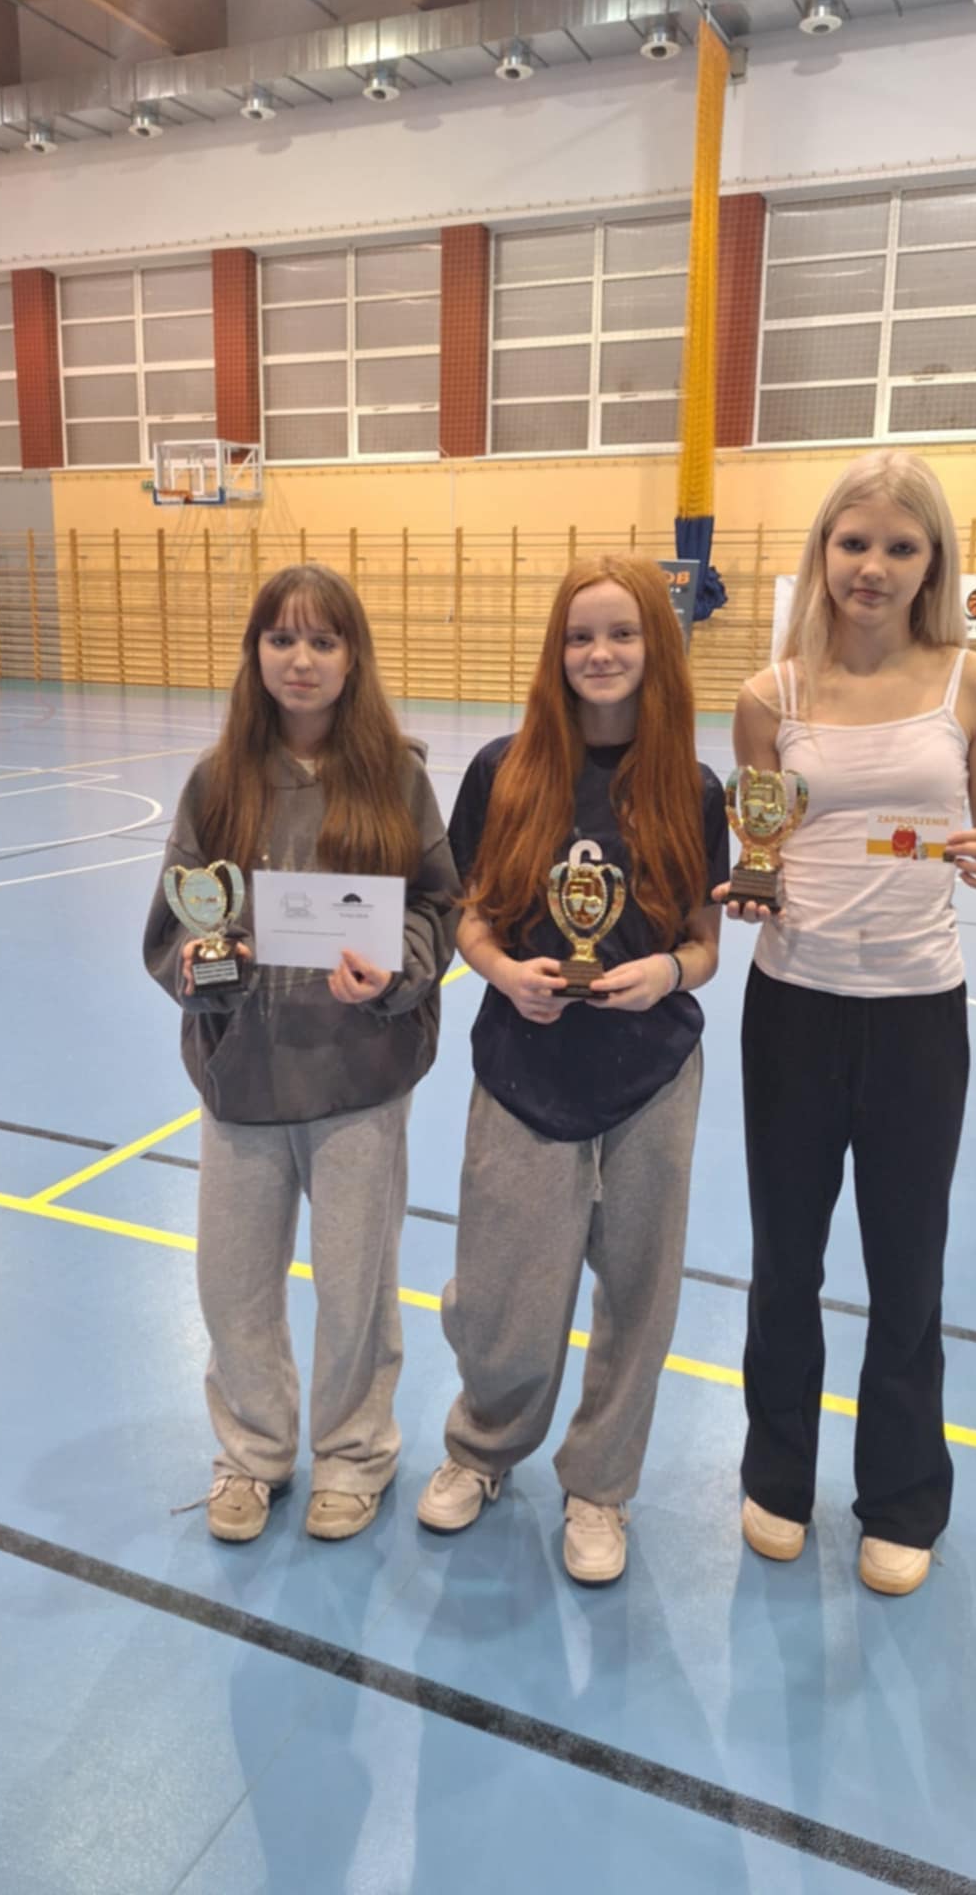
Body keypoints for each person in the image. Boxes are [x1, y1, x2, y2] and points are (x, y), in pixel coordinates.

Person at [722, 450, 976, 1597]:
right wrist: (750, 885)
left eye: (902, 547)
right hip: (791, 1010)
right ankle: (776, 1476)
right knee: (783, 1261)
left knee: (907, 1265)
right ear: (824, 551)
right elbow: (760, 843)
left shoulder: (974, 687)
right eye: (855, 543)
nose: (874, 567)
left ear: (931, 562)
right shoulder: (770, 697)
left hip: (916, 1017)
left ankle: (901, 1498)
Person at [418, 555, 727, 1585]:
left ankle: (600, 1485)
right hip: (523, 1069)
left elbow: (705, 942)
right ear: (556, 652)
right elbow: (468, 916)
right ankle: (483, 1448)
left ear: (656, 648)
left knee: (638, 1297)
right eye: (580, 636)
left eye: (622, 633)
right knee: (502, 1301)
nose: (600, 653)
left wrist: (668, 972)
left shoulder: (692, 787)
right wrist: (504, 972)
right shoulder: (502, 771)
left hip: (651, 1078)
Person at [144, 564, 458, 1545]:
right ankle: (253, 1454)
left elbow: (437, 906)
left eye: (324, 640)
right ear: (256, 654)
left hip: (360, 1079)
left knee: (356, 1286)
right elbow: (174, 923)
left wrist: (399, 971)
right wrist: (203, 966)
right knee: (232, 1283)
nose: (302, 659)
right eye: (281, 638)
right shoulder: (216, 782)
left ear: (353, 657)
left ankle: (356, 1454)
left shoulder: (396, 777)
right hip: (243, 1078)